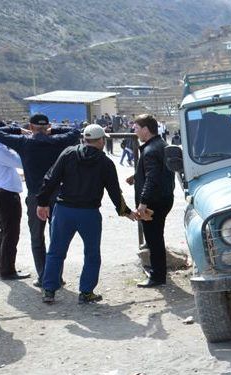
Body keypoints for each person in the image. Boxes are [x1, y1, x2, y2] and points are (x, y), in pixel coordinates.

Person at [34, 124, 136, 305]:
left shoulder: (68, 154)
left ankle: (49, 290)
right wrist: (125, 211)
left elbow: (51, 178)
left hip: (64, 210)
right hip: (89, 213)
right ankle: (86, 292)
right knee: (91, 253)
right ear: (101, 141)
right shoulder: (105, 163)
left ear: (85, 139)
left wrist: (41, 202)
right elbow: (114, 191)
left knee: (56, 251)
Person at [0, 113, 81, 287]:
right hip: (56, 193)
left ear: (31, 127)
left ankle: (43, 276)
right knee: (57, 237)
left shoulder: (24, 142)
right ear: (47, 127)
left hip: (35, 195)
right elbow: (75, 132)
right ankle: (56, 276)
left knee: (37, 237)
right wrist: (53, 130)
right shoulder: (58, 140)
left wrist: (19, 130)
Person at [128, 114, 175, 288]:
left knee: (154, 239)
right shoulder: (160, 145)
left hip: (154, 203)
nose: (134, 131)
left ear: (146, 129)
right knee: (156, 238)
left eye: (137, 128)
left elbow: (152, 178)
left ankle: (157, 277)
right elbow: (156, 172)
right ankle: (159, 272)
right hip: (164, 198)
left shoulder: (150, 150)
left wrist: (143, 202)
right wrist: (136, 177)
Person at [0, 120, 30, 281]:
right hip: (6, 195)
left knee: (4, 232)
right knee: (11, 233)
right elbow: (23, 162)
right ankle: (7, 270)